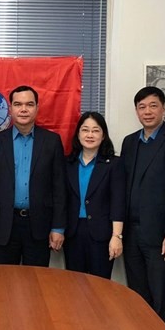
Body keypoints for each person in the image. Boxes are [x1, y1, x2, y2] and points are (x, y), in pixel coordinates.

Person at [120, 86, 165, 328]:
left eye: (153, 106)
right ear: (136, 111)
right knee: (136, 295)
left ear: (164, 108)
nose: (147, 112)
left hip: (160, 235)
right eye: (142, 107)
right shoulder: (130, 142)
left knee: (160, 296)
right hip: (131, 233)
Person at [0, 85, 66, 266]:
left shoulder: (52, 142)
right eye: (18, 104)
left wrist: (58, 227)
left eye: (29, 104)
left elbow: (59, 188)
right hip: (4, 226)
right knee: (3, 283)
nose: (24, 109)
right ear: (10, 108)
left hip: (39, 226)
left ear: (37, 108)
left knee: (37, 285)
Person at [64, 112, 125, 279]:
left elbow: (118, 202)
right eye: (85, 130)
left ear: (103, 135)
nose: (90, 135)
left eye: (95, 130)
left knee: (100, 287)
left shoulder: (114, 164)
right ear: (78, 134)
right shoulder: (67, 164)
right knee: (74, 284)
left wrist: (116, 236)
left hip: (102, 234)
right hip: (73, 233)